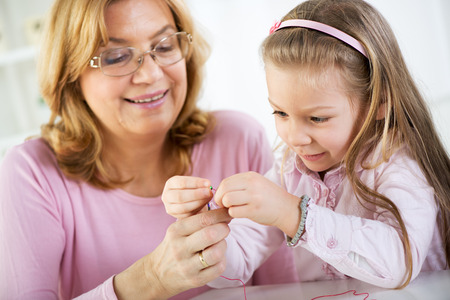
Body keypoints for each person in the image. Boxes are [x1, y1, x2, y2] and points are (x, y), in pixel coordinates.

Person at [0, 0, 297, 299]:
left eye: (165, 46)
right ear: (71, 74)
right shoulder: (31, 171)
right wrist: (152, 278)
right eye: (116, 57)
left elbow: (286, 291)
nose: (151, 75)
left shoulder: (239, 139)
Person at [163, 0, 450, 290]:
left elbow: (400, 263)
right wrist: (202, 230)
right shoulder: (291, 171)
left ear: (379, 103)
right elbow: (231, 269)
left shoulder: (398, 165)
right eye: (281, 113)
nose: (295, 138)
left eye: (317, 118)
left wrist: (294, 215)